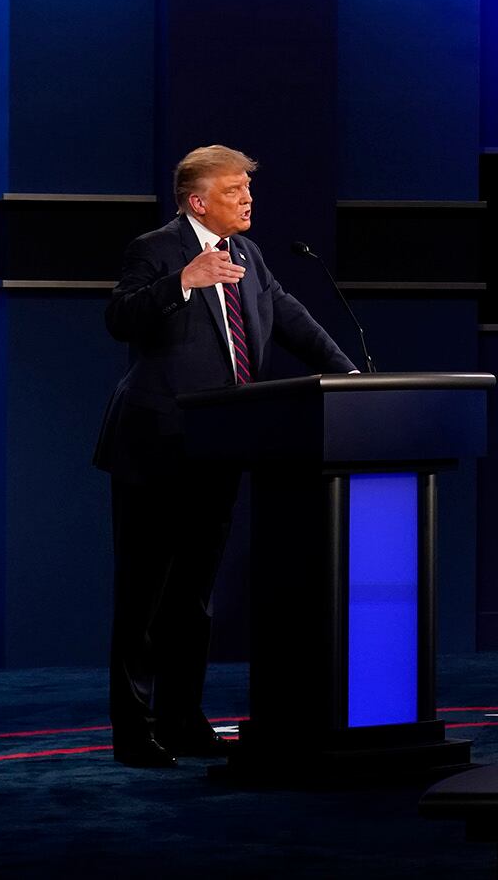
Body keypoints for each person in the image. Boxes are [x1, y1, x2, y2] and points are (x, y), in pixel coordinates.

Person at [94, 145, 355, 769]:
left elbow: (287, 317)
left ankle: (184, 720)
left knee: (193, 595)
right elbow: (119, 317)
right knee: (145, 596)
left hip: (220, 446)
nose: (248, 200)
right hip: (155, 447)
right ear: (197, 201)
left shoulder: (248, 256)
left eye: (247, 190)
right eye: (235, 191)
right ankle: (135, 731)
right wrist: (183, 281)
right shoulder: (155, 249)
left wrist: (347, 375)